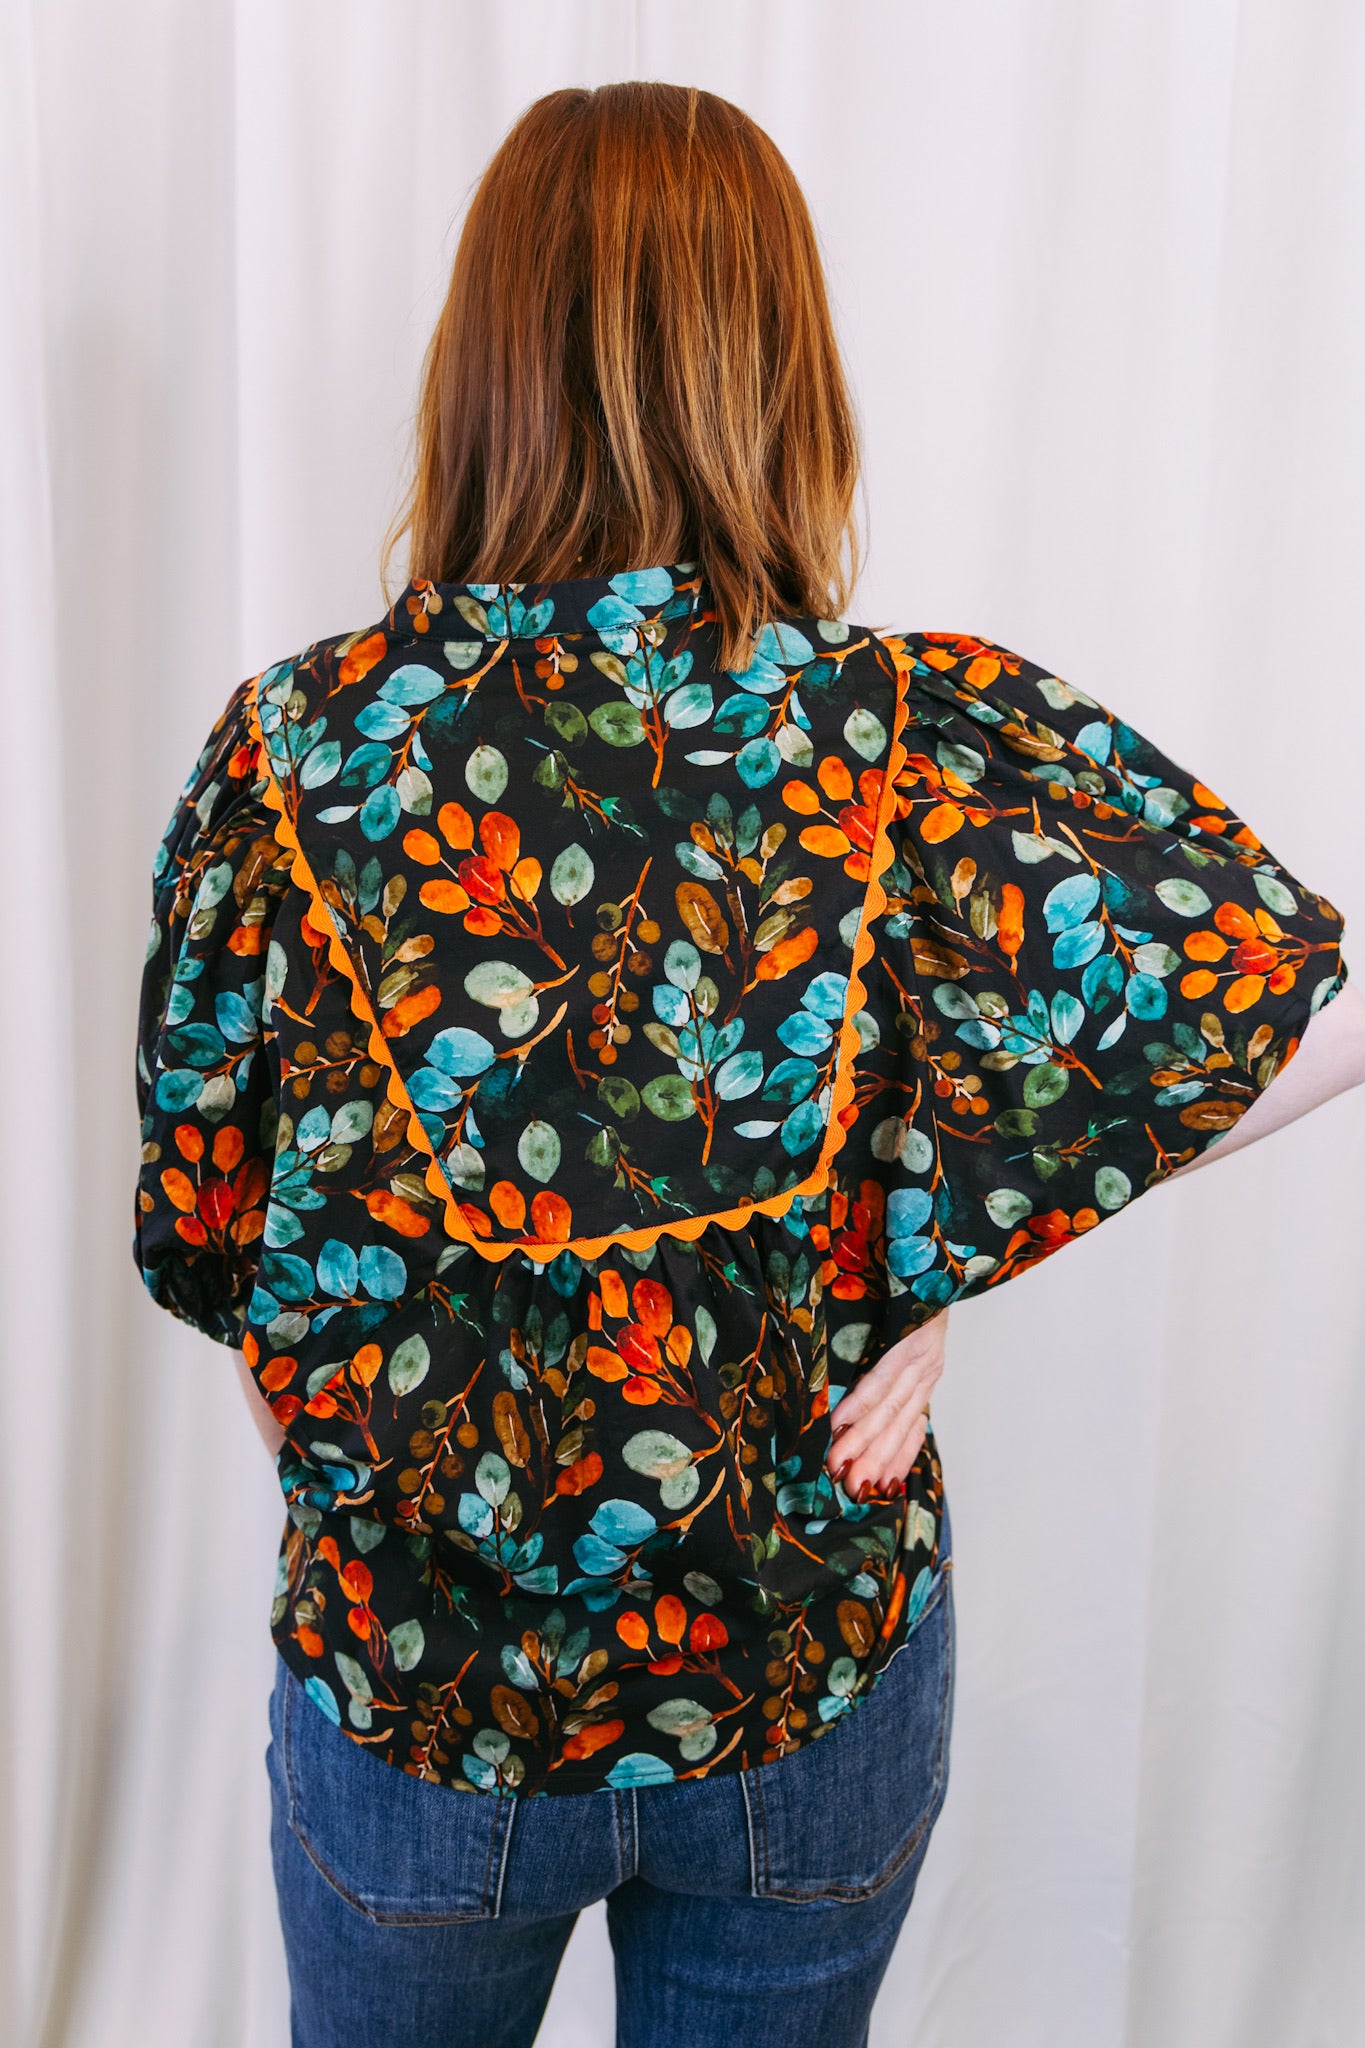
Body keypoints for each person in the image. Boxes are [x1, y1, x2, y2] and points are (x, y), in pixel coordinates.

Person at [133, 81, 1365, 2048]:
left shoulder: (296, 756)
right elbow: (1290, 1005)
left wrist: (909, 1240)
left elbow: (215, 1239)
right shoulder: (892, 734)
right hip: (796, 1682)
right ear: (775, 365)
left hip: (423, 1685)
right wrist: (909, 1235)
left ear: (482, 366)